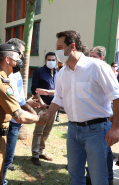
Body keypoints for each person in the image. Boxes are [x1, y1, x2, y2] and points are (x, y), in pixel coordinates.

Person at [43, 30, 119, 185]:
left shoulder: (97, 67)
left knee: (98, 179)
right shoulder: (63, 73)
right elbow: (58, 98)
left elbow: (116, 97)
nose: (57, 51)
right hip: (73, 131)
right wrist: (46, 114)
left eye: (59, 47)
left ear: (72, 46)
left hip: (97, 131)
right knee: (75, 177)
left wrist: (116, 128)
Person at [0, 43, 45, 185]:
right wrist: (39, 118)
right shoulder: (0, 84)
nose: (20, 61)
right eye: (18, 58)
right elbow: (19, 116)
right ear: (7, 60)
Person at [1, 38, 39, 185]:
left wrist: (30, 107)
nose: (22, 57)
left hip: (13, 121)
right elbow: (16, 103)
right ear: (12, 54)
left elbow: (20, 100)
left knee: (6, 156)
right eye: (21, 53)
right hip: (10, 122)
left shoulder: (14, 73)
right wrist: (36, 116)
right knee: (6, 157)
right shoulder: (5, 75)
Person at [86, 46, 114, 185]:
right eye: (90, 56)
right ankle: (107, 178)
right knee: (106, 152)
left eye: (94, 56)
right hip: (100, 116)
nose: (91, 59)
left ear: (102, 57)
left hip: (102, 118)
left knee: (99, 154)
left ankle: (94, 178)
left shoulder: (103, 70)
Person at [30, 52, 57, 166]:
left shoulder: (58, 73)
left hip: (53, 106)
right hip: (43, 106)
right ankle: (35, 155)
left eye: (53, 60)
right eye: (49, 59)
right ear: (45, 61)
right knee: (39, 130)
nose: (51, 61)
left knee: (47, 131)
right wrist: (41, 103)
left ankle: (41, 151)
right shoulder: (39, 72)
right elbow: (34, 88)